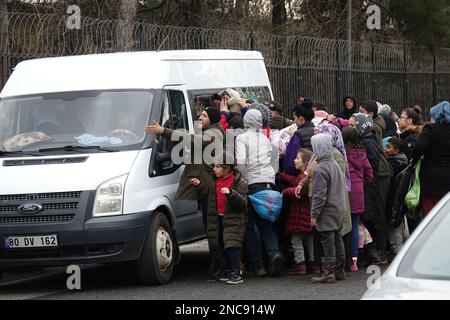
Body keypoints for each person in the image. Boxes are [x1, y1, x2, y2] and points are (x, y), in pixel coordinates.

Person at [145, 106, 224, 226]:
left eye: (204, 115)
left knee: (213, 226)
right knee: (210, 225)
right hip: (205, 185)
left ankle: (218, 245)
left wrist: (163, 131)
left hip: (209, 185)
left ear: (212, 119)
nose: (200, 118)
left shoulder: (214, 134)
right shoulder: (208, 131)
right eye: (201, 115)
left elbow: (189, 138)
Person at [235, 109, 283, 277]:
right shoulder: (265, 138)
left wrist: (245, 179)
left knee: (249, 225)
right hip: (269, 183)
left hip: (253, 184)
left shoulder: (241, 138)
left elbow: (240, 162)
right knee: (266, 223)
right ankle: (274, 253)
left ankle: (258, 265)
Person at [190, 154, 247, 285]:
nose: (214, 169)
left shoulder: (239, 182)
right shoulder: (213, 181)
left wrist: (231, 193)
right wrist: (199, 185)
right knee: (219, 245)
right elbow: (206, 193)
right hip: (217, 218)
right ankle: (226, 270)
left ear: (226, 168)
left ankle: (236, 272)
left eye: (217, 167)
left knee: (232, 245)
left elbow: (243, 203)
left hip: (233, 219)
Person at [309, 133, 347, 284]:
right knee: (337, 238)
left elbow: (319, 196)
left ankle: (328, 273)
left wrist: (314, 215)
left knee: (327, 240)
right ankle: (340, 270)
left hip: (327, 210)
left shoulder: (320, 169)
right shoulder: (335, 164)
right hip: (339, 207)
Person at [342, 127, 374, 272]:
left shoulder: (343, 154)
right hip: (358, 191)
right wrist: (360, 182)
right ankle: (354, 260)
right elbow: (369, 175)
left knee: (343, 226)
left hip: (344, 191)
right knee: (355, 226)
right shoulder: (363, 154)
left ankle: (343, 259)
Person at [280, 148, 317, 275]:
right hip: (309, 214)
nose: (294, 160)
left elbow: (299, 189)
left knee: (296, 240)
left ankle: (300, 264)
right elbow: (295, 181)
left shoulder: (304, 177)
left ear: (305, 162)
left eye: (297, 158)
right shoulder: (306, 175)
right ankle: (313, 264)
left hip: (299, 214)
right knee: (310, 240)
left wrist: (284, 192)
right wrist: (284, 176)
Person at [411, 101, 450, 215]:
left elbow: (419, 148)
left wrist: (415, 160)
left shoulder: (431, 129)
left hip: (431, 180)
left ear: (437, 116)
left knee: (431, 214)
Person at [385, 137, 409, 259]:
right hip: (400, 202)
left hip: (393, 202)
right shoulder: (405, 162)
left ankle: (400, 257)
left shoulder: (393, 164)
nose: (386, 150)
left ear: (397, 150)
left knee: (394, 230)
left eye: (388, 147)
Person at [282, 100, 315, 175]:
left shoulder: (297, 135)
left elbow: (290, 163)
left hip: (299, 176)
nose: (294, 121)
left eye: (295, 118)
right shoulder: (317, 131)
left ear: (301, 118)